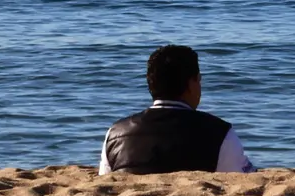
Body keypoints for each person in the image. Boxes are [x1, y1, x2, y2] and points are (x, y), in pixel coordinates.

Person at [98, 45, 256, 175]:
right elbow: (243, 178)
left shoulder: (115, 134)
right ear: (190, 84)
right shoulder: (220, 133)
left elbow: (105, 181)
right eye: (198, 80)